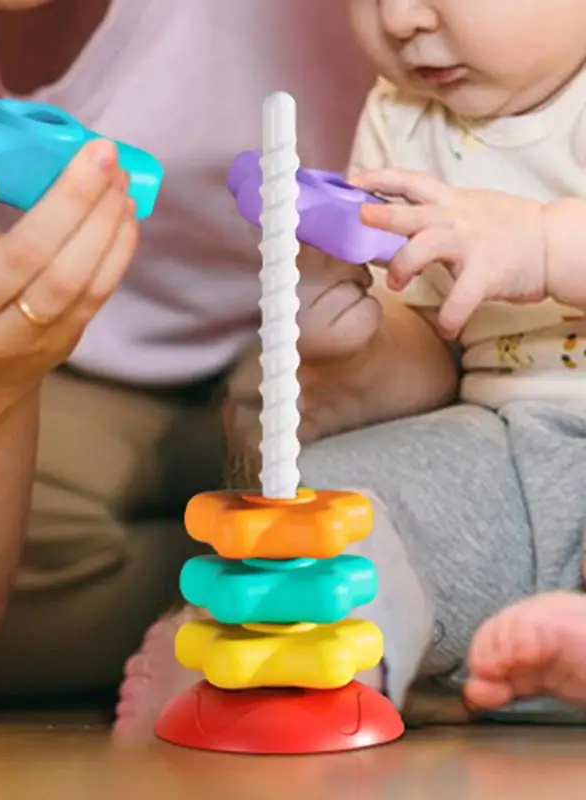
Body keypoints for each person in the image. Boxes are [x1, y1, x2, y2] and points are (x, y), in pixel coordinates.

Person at [0, 0, 400, 714]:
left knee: (431, 461)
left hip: (339, 354)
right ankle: (259, 607)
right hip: (60, 399)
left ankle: (279, 596)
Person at [116, 0, 586, 735]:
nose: (398, 19)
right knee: (330, 494)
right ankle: (317, 660)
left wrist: (541, 244)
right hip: (506, 445)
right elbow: (440, 343)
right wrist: (360, 340)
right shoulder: (406, 114)